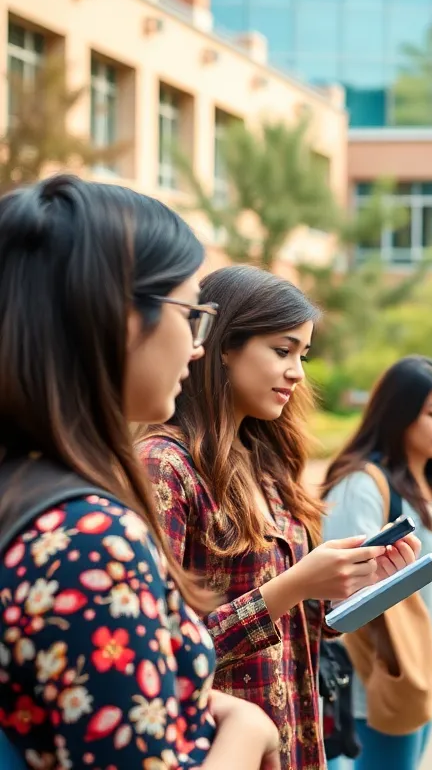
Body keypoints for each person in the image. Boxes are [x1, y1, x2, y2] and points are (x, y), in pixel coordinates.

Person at [0, 176, 280, 768]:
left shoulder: (26, 493)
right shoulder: (88, 539)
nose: (197, 347)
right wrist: (248, 730)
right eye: (191, 315)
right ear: (119, 319)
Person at [138, 266, 420, 770]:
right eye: (282, 351)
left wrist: (355, 585)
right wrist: (294, 585)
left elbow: (296, 627)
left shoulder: (268, 464)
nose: (298, 372)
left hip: (294, 738)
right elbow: (163, 652)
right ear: (224, 346)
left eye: (303, 356)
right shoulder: (165, 467)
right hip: (218, 747)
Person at [320, 355, 432, 770]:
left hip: (422, 671)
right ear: (400, 415)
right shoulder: (362, 485)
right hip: (382, 674)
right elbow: (345, 595)